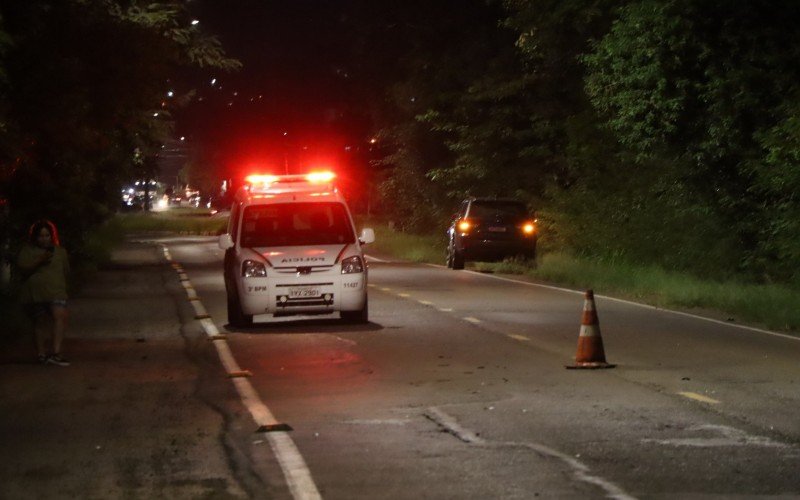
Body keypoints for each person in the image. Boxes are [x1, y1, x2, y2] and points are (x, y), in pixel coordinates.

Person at [17, 220, 71, 366]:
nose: (44, 239)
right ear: (35, 237)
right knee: (40, 322)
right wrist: (40, 260)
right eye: (41, 236)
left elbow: (65, 271)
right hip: (35, 294)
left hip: (56, 292)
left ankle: (56, 352)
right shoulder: (27, 251)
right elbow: (23, 269)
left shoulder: (60, 252)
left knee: (59, 317)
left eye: (47, 235)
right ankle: (41, 354)